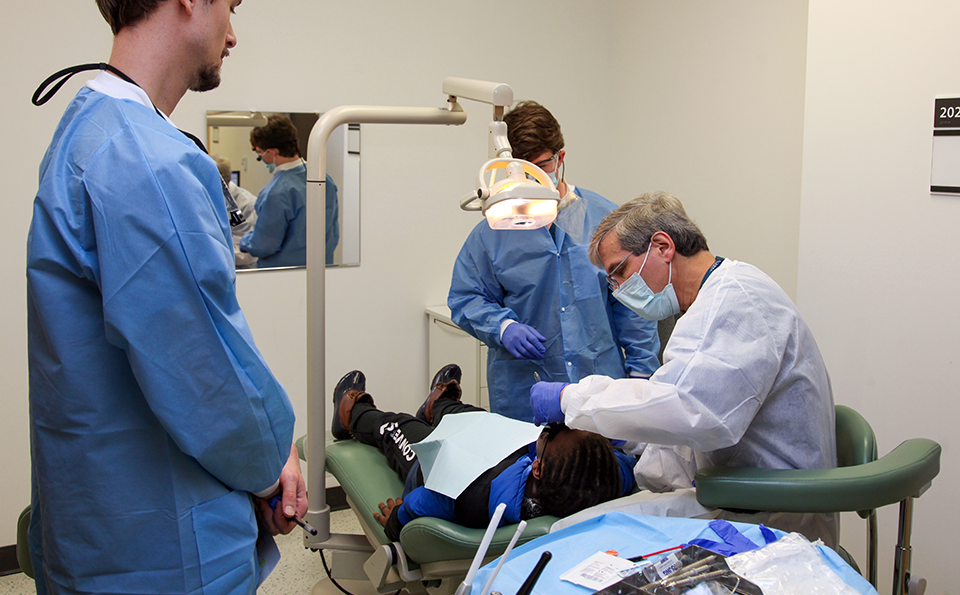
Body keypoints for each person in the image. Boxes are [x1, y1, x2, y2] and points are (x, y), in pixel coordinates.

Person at [27, 0, 303, 595]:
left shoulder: (88, 134)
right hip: (160, 546)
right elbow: (201, 367)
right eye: (232, 6)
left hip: (104, 525)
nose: (233, 33)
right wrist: (275, 460)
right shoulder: (144, 158)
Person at [530, 191, 838, 544]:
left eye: (619, 272)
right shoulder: (709, 304)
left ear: (663, 247)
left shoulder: (738, 300)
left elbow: (693, 413)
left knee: (572, 537)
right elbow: (687, 428)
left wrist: (573, 398)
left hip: (774, 515)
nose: (617, 292)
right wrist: (633, 454)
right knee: (576, 531)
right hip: (738, 497)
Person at [448, 101, 660, 422]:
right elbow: (466, 297)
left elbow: (635, 307)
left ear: (559, 158)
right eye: (520, 171)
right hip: (525, 393)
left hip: (599, 390)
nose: (530, 179)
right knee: (529, 471)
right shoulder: (495, 229)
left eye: (540, 166)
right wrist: (503, 327)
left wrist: (643, 380)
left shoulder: (605, 220)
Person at [330, 366, 635, 541]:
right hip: (495, 444)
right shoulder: (608, 476)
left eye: (553, 431)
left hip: (438, 464)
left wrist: (395, 520)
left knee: (401, 427)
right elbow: (622, 459)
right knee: (471, 415)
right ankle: (438, 405)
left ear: (538, 468)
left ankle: (353, 412)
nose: (553, 424)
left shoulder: (469, 493)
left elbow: (418, 504)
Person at [239, 114, 340, 266]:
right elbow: (333, 234)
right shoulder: (325, 180)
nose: (262, 159)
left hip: (282, 278)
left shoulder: (277, 192)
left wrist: (245, 241)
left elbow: (264, 245)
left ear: (272, 152)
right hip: (320, 272)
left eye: (260, 153)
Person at [213, 154, 259, 268]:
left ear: (226, 184)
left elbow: (247, 253)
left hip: (242, 271)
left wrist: (213, 251)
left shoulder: (245, 204)